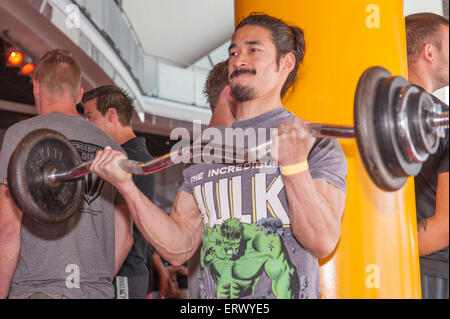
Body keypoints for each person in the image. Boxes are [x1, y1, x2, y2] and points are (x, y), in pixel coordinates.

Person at [90, 13, 347, 299]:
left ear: (285, 63)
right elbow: (180, 247)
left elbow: (322, 240)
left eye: (253, 50)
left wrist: (295, 166)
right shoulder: (206, 152)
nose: (239, 59)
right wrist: (127, 187)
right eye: (234, 51)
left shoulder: (315, 145)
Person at [0, 49, 133, 299]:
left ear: (36, 87)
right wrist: (93, 286)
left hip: (37, 291)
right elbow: (125, 238)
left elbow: (7, 228)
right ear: (80, 94)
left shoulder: (21, 138)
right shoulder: (112, 148)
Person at [82, 85, 187, 299]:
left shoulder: (130, 160)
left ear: (112, 114)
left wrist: (98, 284)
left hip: (124, 272)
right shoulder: (123, 158)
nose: (86, 125)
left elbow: (125, 238)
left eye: (90, 117)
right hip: (121, 271)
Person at [405, 12, 449, 299]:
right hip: (431, 273)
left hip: (373, 267)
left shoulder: (363, 115)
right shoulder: (444, 120)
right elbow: (444, 228)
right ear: (429, 52)